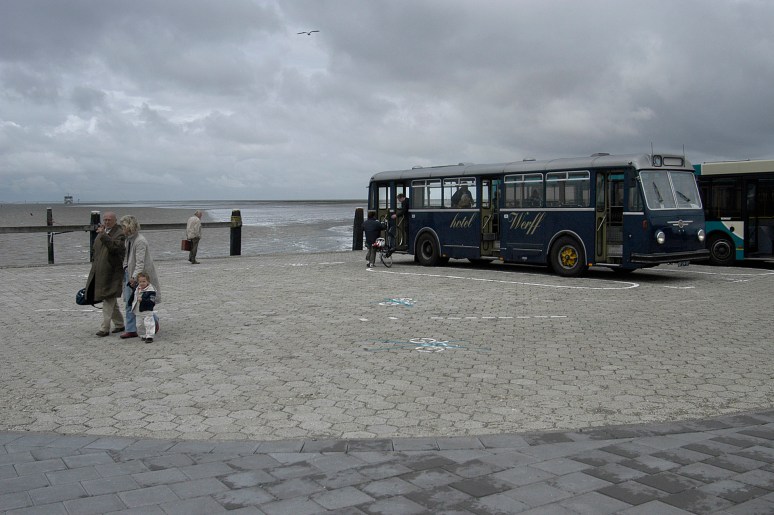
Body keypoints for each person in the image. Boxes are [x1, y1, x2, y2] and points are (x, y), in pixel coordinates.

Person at [119, 215, 161, 339]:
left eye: (123, 227)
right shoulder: (128, 240)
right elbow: (127, 258)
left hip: (139, 277)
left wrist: (134, 277)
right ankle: (131, 329)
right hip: (129, 273)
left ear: (129, 227)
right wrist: (125, 268)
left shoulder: (140, 241)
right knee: (129, 301)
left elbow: (140, 262)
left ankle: (153, 321)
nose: (122, 229)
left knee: (140, 302)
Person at [85, 211, 125, 337]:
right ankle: (119, 324)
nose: (107, 222)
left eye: (109, 220)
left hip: (112, 272)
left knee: (108, 298)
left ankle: (105, 328)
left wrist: (103, 235)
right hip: (99, 271)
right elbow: (96, 250)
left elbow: (115, 248)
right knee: (110, 298)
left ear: (115, 220)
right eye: (105, 220)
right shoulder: (102, 232)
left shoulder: (120, 233)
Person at [132, 272, 157, 343]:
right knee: (139, 325)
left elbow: (151, 302)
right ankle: (143, 335)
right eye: (140, 281)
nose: (142, 283)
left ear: (148, 281)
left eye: (144, 281)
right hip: (138, 311)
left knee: (148, 323)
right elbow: (133, 296)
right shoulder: (137, 289)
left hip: (147, 310)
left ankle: (150, 336)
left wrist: (143, 300)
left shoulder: (151, 291)